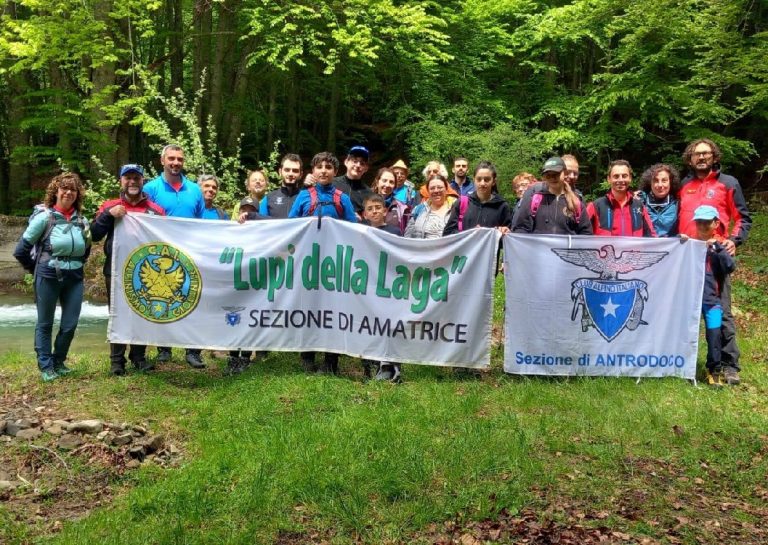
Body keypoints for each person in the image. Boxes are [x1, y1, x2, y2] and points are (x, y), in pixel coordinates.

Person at [678, 138, 751, 384]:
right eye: (696, 154)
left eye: (706, 154)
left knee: (721, 314)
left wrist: (734, 240)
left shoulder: (728, 183)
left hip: (715, 260)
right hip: (686, 259)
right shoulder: (683, 184)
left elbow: (743, 217)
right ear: (690, 158)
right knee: (683, 312)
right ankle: (680, 360)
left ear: (714, 157)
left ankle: (729, 365)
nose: (701, 158)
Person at [14, 173, 91, 382]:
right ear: (55, 191)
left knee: (70, 323)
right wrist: (36, 269)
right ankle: (46, 366)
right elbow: (21, 250)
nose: (68, 192)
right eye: (64, 188)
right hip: (47, 277)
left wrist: (74, 265)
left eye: (73, 189)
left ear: (77, 194)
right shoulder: (44, 218)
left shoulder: (82, 221)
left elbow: (86, 250)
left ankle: (59, 361)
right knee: (45, 323)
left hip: (74, 278)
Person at [90, 164, 165, 376]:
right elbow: (94, 234)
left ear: (143, 181)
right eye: (128, 178)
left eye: (136, 178)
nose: (132, 182)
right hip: (114, 269)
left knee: (142, 311)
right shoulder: (110, 205)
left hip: (145, 271)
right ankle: (116, 361)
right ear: (121, 181)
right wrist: (108, 215)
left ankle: (139, 357)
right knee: (117, 313)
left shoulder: (155, 210)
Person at [289, 152, 357, 374]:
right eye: (320, 167)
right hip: (307, 262)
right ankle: (307, 355)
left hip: (334, 265)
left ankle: (331, 360)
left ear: (335, 172)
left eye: (329, 167)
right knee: (307, 307)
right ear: (313, 170)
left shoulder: (342, 198)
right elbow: (289, 227)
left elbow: (352, 231)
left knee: (333, 310)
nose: (324, 171)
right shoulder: (303, 196)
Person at [142, 144, 206, 368]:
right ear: (162, 161)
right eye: (171, 158)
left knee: (193, 298)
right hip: (162, 255)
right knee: (164, 297)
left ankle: (193, 350)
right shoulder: (150, 188)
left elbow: (199, 221)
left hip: (190, 252)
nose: (176, 162)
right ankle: (164, 348)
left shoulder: (195, 189)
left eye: (180, 158)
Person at [680, 205, 736, 387]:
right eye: (699, 222)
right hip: (690, 301)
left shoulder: (721, 245)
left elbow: (729, 267)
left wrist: (717, 248)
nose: (702, 226)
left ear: (716, 223)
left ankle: (714, 370)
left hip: (712, 302)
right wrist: (680, 242)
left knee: (714, 336)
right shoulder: (690, 243)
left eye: (707, 222)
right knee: (687, 334)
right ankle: (683, 366)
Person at [361, 193, 403, 382]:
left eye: (378, 207)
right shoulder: (360, 232)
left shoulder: (395, 232)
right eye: (370, 209)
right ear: (365, 214)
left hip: (389, 285)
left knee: (388, 323)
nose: (375, 211)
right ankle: (370, 361)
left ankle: (390, 365)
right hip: (368, 284)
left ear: (385, 211)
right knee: (369, 322)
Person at [512, 157, 592, 235]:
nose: (552, 178)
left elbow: (586, 233)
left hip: (567, 248)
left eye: (556, 174)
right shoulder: (535, 198)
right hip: (539, 248)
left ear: (564, 173)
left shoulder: (576, 201)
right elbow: (521, 228)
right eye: (548, 175)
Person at [587, 160, 656, 237]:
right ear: (609, 179)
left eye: (624, 176)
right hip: (606, 249)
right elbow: (583, 235)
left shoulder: (639, 206)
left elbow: (651, 235)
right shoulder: (595, 206)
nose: (620, 180)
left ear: (630, 178)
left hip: (633, 249)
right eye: (616, 176)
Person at [443, 161, 512, 235]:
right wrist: (471, 234)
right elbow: (448, 233)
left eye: (487, 179)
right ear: (474, 180)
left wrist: (504, 232)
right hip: (467, 246)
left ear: (494, 181)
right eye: (479, 179)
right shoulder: (462, 203)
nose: (482, 183)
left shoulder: (502, 206)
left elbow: (509, 239)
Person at [405, 175, 456, 239]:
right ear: (428, 191)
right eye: (432, 188)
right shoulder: (418, 209)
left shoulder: (455, 209)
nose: (436, 191)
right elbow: (408, 235)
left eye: (440, 187)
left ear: (446, 189)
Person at [639, 163, 680, 237]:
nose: (660, 185)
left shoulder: (678, 203)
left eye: (664, 180)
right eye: (656, 181)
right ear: (650, 183)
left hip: (670, 247)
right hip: (645, 247)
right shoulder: (640, 201)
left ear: (670, 182)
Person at [259, 154, 303, 218]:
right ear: (280, 172)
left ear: (301, 174)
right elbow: (261, 224)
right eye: (287, 170)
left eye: (295, 171)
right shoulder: (268, 198)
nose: (290, 173)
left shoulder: (306, 197)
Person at [333, 145, 373, 216]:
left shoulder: (369, 193)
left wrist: (360, 219)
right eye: (355, 161)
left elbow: (370, 219)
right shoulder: (332, 184)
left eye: (362, 163)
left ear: (366, 168)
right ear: (346, 162)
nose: (358, 165)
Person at [372, 167, 410, 235]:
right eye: (384, 180)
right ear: (377, 182)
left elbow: (406, 232)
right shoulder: (365, 203)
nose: (387, 185)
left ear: (394, 186)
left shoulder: (402, 207)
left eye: (391, 182)